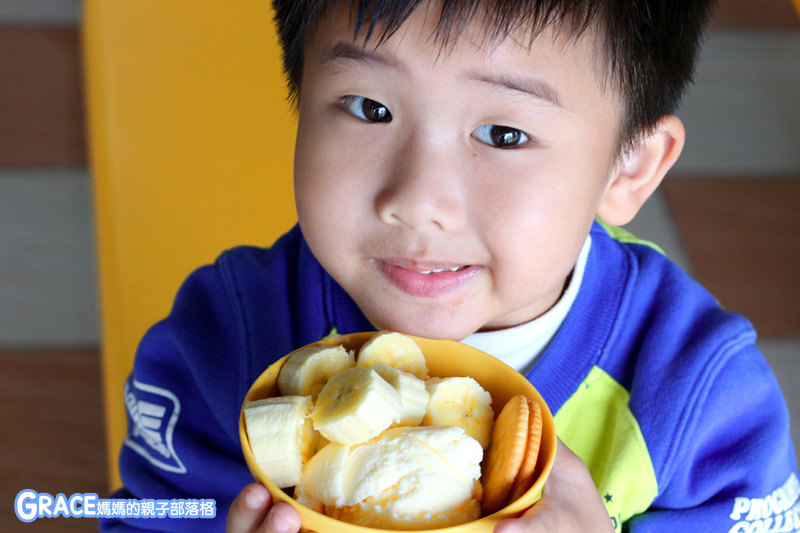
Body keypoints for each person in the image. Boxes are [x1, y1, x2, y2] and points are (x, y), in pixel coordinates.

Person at [100, 0, 800, 532]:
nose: (418, 201)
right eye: (370, 107)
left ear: (630, 166)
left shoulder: (697, 395)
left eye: (503, 133)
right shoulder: (221, 339)